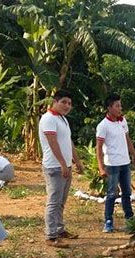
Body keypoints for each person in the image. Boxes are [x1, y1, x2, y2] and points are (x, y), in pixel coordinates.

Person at [39, 89, 84, 248]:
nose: (67, 106)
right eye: (64, 102)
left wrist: (76, 161)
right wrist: (63, 164)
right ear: (55, 102)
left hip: (65, 166)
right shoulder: (49, 119)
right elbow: (53, 143)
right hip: (54, 167)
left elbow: (68, 142)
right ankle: (51, 235)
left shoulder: (63, 120)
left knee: (61, 201)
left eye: (69, 103)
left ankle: (59, 229)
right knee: (53, 201)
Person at [96, 93, 135, 233]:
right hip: (112, 164)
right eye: (117, 105)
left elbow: (127, 139)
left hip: (125, 163)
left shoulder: (122, 121)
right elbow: (98, 147)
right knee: (111, 194)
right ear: (109, 108)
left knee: (127, 192)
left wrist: (134, 155)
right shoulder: (103, 126)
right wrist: (101, 167)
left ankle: (129, 219)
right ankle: (108, 221)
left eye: (120, 105)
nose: (120, 108)